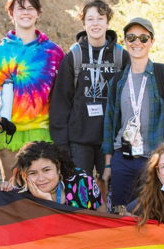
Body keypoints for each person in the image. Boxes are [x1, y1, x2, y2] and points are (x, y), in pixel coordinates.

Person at [102, 17, 164, 211]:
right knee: (121, 214)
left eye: (143, 38)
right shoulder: (117, 81)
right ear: (125, 41)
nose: (137, 43)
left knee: (154, 214)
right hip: (122, 160)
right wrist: (108, 165)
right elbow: (109, 125)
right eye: (131, 38)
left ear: (152, 41)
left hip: (155, 161)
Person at [49, 0, 129, 197]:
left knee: (111, 198)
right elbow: (61, 102)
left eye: (100, 19)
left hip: (111, 143)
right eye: (90, 19)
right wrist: (62, 145)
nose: (95, 24)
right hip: (79, 141)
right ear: (83, 23)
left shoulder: (121, 57)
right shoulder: (73, 57)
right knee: (79, 196)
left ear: (108, 22)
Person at [0, 0, 64, 184]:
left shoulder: (53, 52)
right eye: (20, 8)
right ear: (11, 13)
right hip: (7, 132)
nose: (25, 13)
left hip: (41, 132)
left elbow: (63, 95)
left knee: (42, 189)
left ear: (38, 13)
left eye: (30, 8)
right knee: (12, 189)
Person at [8, 141, 106, 212]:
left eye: (46, 170)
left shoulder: (81, 180)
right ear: (24, 175)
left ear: (58, 167)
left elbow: (102, 213)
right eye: (33, 173)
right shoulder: (21, 194)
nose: (41, 178)